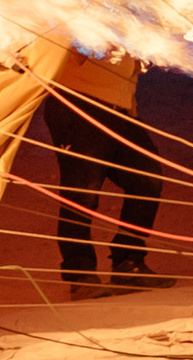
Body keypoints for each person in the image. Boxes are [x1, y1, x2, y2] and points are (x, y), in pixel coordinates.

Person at [29, 38, 172, 297]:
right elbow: (72, 49)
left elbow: (128, 75)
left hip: (120, 111)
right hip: (78, 104)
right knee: (83, 192)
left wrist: (131, 113)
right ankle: (81, 275)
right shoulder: (85, 9)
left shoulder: (131, 17)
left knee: (146, 179)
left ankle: (128, 264)